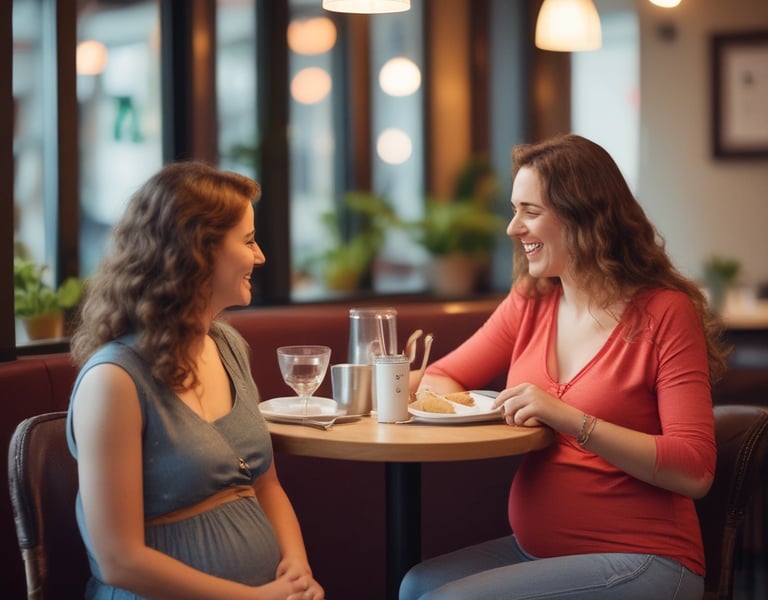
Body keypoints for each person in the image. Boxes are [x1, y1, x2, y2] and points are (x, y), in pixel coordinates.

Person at [400, 134, 728, 600]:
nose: (513, 228)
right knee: (415, 585)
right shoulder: (532, 301)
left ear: (584, 217)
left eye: (530, 212)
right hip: (540, 552)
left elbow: (694, 471)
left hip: (644, 557)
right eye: (514, 210)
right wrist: (387, 384)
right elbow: (443, 376)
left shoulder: (665, 312)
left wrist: (568, 418)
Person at [68, 161, 324, 600]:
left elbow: (265, 485)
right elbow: (118, 560)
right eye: (248, 240)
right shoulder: (113, 380)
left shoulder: (228, 346)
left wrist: (297, 570)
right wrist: (257, 598)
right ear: (198, 250)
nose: (260, 256)